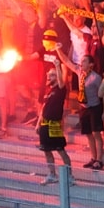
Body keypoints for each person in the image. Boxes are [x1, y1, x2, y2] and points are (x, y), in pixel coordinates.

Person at [57, 49, 104, 171]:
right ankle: (93, 158)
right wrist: (58, 49)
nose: (81, 63)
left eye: (84, 61)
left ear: (91, 64)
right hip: (83, 107)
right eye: (81, 61)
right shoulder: (79, 72)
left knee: (96, 133)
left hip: (94, 107)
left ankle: (99, 159)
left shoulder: (96, 78)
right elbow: (67, 61)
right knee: (88, 134)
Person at [37, 56, 72, 185]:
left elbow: (62, 82)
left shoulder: (60, 90)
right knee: (46, 151)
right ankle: (52, 174)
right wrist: (38, 123)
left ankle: (69, 176)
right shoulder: (48, 91)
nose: (48, 77)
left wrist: (57, 65)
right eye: (48, 75)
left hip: (55, 126)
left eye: (51, 76)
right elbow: (43, 108)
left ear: (57, 77)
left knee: (61, 150)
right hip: (44, 125)